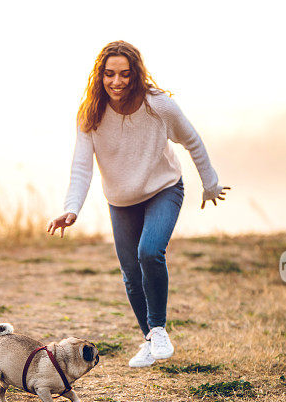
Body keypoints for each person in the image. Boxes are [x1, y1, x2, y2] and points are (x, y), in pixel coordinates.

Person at [46, 40, 229, 368]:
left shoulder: (158, 106)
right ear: (100, 75)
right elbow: (81, 166)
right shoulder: (90, 112)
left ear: (136, 74)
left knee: (149, 252)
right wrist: (71, 208)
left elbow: (192, 140)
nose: (116, 82)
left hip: (164, 189)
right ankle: (148, 338)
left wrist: (210, 184)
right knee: (131, 273)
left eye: (125, 75)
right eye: (109, 74)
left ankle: (158, 329)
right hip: (121, 201)